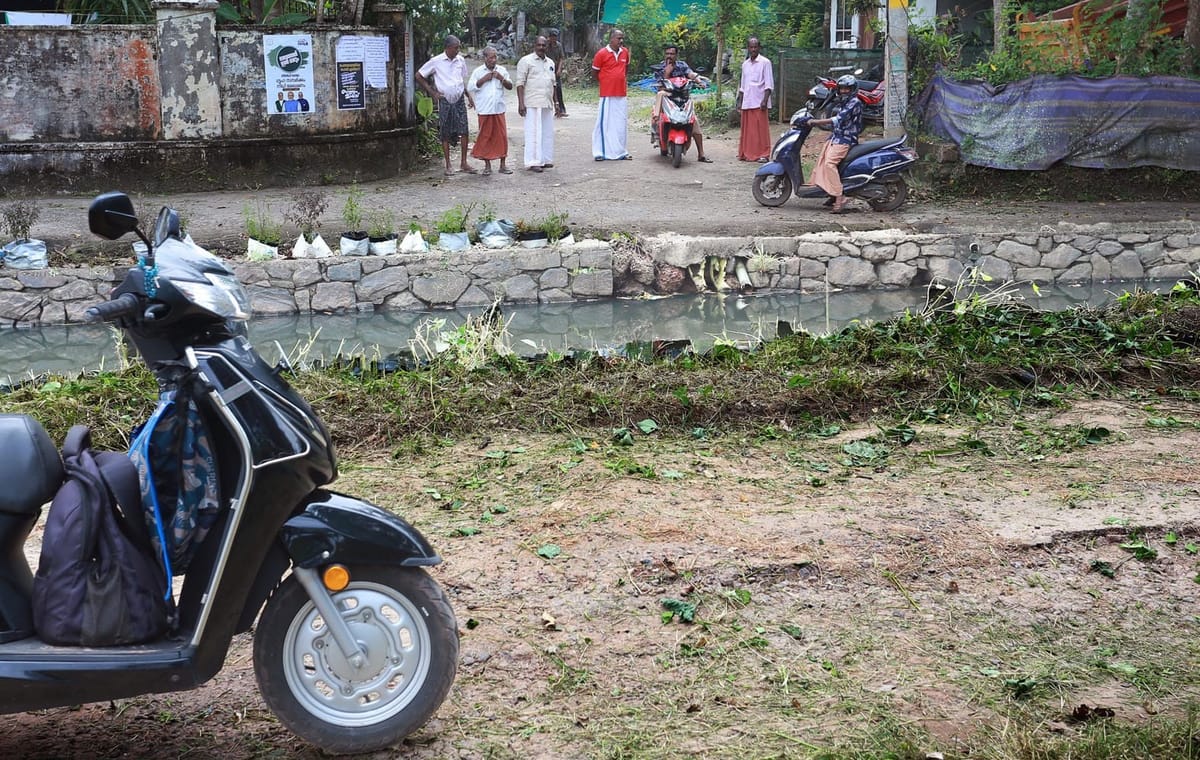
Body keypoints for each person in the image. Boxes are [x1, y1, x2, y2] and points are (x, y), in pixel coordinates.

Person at [416, 35, 477, 176]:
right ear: (448, 48)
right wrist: (432, 92)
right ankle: (448, 164)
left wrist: (469, 96)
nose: (458, 50)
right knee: (445, 132)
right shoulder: (436, 61)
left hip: (459, 98)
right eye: (456, 48)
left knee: (464, 130)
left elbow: (461, 80)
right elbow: (419, 75)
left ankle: (463, 162)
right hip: (444, 100)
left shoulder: (460, 60)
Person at [807, 74, 864, 213]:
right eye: (842, 88)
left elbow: (838, 119)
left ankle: (840, 197)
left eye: (847, 89)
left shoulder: (854, 102)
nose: (844, 91)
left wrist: (815, 122)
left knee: (829, 164)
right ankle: (831, 193)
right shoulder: (843, 101)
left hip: (846, 139)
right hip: (836, 137)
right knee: (821, 161)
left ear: (853, 89)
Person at [651, 44, 711, 163]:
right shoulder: (660, 67)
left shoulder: (682, 65)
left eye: (672, 54)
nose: (669, 56)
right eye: (667, 53)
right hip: (668, 97)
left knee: (694, 123)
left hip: (683, 98)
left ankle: (701, 154)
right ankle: (656, 118)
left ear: (676, 55)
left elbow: (691, 74)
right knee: (660, 94)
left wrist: (699, 81)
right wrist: (667, 73)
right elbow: (659, 85)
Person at [468, 46, 513, 176]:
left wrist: (501, 78)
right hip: (485, 110)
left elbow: (510, 86)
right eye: (491, 57)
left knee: (502, 137)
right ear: (485, 58)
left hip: (498, 109)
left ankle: (503, 165)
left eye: (495, 57)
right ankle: (487, 165)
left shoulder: (502, 70)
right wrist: (484, 79)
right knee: (486, 137)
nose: (494, 60)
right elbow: (471, 86)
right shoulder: (478, 71)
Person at [516, 35, 556, 173]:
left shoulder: (550, 62)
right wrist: (521, 103)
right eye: (539, 45)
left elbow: (553, 83)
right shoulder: (526, 61)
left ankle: (545, 159)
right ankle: (533, 161)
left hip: (546, 103)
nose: (541, 47)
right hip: (532, 102)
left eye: (543, 45)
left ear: (547, 47)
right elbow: (520, 84)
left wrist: (555, 102)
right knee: (533, 133)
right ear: (534, 45)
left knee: (546, 132)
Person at [591, 28, 631, 161]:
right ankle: (600, 152)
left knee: (620, 123)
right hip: (607, 94)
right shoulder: (601, 53)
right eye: (619, 38)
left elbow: (626, 69)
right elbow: (595, 72)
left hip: (621, 93)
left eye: (622, 38)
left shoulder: (625, 52)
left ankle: (620, 151)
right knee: (604, 123)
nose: (621, 41)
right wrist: (606, 81)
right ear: (611, 39)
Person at [736, 37, 773, 163]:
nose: (753, 49)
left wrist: (765, 100)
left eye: (755, 47)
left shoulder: (765, 62)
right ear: (748, 48)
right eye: (751, 47)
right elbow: (742, 85)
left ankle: (764, 154)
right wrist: (740, 102)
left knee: (761, 130)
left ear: (759, 48)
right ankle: (746, 153)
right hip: (747, 101)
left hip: (759, 101)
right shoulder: (745, 64)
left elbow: (769, 84)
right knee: (748, 131)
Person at [545, 28, 568, 117]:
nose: (554, 39)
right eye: (552, 37)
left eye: (555, 37)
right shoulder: (545, 45)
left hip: (555, 70)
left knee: (558, 89)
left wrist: (559, 69)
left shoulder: (559, 45)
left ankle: (561, 109)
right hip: (546, 70)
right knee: (548, 90)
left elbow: (561, 58)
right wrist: (547, 45)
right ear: (549, 37)